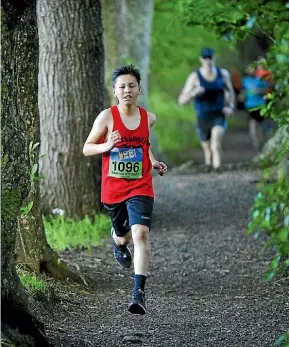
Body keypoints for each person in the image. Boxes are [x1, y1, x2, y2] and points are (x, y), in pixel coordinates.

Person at [83, 64, 167, 315]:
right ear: (115, 91)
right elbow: (87, 148)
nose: (127, 90)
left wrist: (152, 160)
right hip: (114, 188)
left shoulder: (148, 117)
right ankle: (118, 243)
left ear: (139, 89)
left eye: (132, 86)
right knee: (124, 235)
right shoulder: (107, 117)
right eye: (122, 87)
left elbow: (143, 143)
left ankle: (138, 293)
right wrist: (106, 145)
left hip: (141, 184)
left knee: (140, 234)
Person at [178, 47, 235, 169]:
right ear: (201, 59)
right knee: (208, 150)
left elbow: (230, 92)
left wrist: (230, 106)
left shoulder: (223, 74)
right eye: (205, 58)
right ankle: (209, 171)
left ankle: (218, 171)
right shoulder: (195, 77)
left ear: (214, 58)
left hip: (218, 114)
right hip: (202, 116)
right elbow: (181, 100)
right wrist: (194, 93)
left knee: (216, 144)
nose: (208, 61)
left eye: (210, 57)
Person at [241, 65, 270, 151]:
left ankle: (263, 142)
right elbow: (243, 91)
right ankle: (256, 143)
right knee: (252, 124)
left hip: (261, 105)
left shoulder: (261, 79)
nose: (251, 71)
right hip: (250, 105)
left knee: (261, 125)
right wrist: (242, 96)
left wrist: (258, 91)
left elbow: (267, 90)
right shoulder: (244, 80)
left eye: (253, 69)